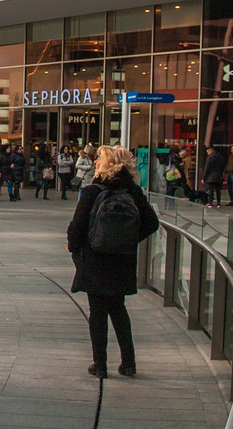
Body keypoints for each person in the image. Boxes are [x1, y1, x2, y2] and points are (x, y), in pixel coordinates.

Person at [66, 145, 158, 379]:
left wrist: (78, 250)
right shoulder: (134, 192)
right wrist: (128, 240)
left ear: (105, 163)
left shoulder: (92, 191)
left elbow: (76, 229)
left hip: (95, 258)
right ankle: (128, 363)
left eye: (98, 159)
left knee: (97, 311)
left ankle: (100, 364)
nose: (95, 162)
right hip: (122, 260)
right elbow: (151, 223)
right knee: (118, 309)